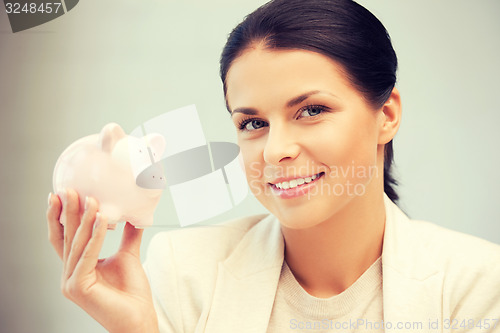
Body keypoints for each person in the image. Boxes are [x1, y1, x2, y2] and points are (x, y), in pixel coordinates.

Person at [46, 0, 500, 332]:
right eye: (253, 122)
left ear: (387, 115)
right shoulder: (184, 272)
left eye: (312, 110)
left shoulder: (476, 285)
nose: (275, 150)